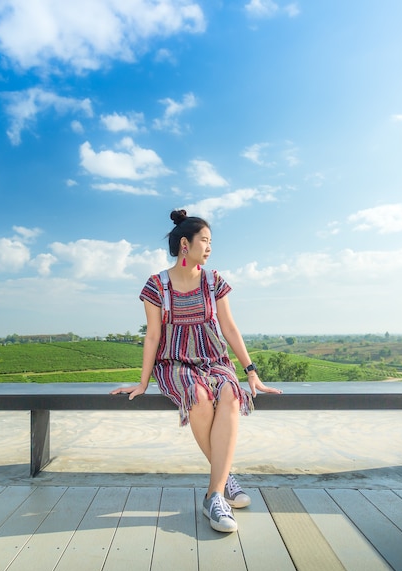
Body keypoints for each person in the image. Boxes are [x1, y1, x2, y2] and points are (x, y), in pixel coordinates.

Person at [111, 209, 282, 533]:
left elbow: (230, 328)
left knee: (231, 395)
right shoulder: (156, 285)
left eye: (211, 241)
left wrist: (251, 372)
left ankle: (213, 494)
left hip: (214, 359)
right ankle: (224, 481)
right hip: (174, 363)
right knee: (200, 398)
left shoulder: (213, 280)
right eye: (205, 240)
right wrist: (143, 382)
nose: (209, 247)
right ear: (184, 245)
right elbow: (152, 336)